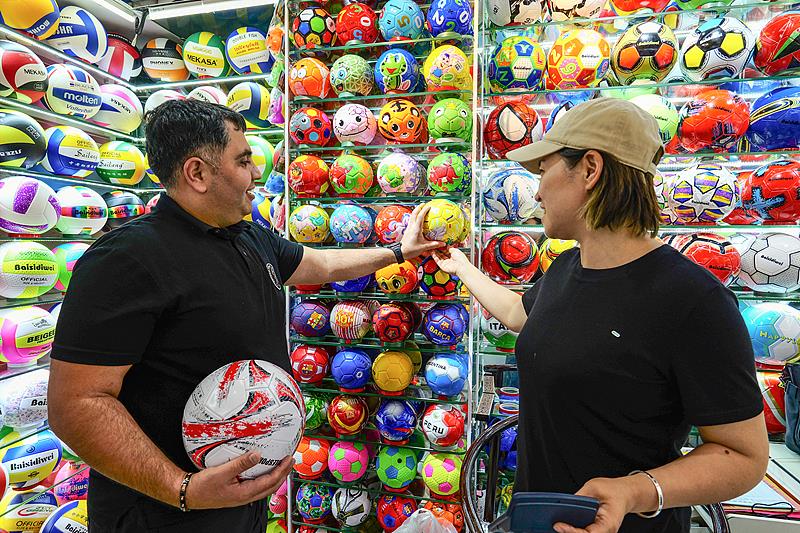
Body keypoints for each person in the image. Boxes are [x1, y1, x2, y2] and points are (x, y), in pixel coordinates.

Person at [47, 99, 442, 532]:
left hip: (242, 504)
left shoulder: (249, 235)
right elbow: (76, 405)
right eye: (243, 161)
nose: (256, 173)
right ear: (197, 173)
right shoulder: (125, 260)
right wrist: (182, 488)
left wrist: (398, 252)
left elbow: (323, 265)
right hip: (163, 514)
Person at [432, 97, 769, 533]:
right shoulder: (566, 267)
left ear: (590, 169)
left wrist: (633, 492)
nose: (537, 191)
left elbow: (744, 457)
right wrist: (461, 267)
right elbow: (521, 314)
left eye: (543, 170)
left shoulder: (693, 300)